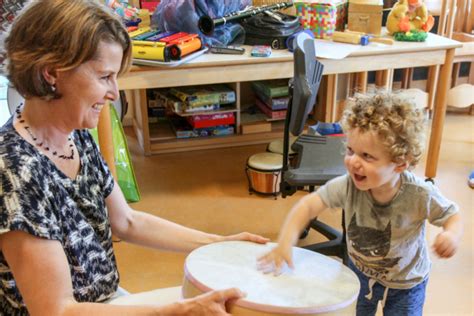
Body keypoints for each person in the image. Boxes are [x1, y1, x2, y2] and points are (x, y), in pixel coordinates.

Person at [0, 0, 269, 314]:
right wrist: (176, 309)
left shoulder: (72, 134)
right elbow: (56, 310)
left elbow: (126, 221)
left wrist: (217, 243)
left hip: (104, 302)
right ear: (51, 73)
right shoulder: (15, 173)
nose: (114, 92)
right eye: (104, 77)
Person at [258, 91, 463, 316]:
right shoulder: (348, 186)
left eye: (367, 156)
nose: (353, 161)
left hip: (406, 283)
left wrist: (451, 235)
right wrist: (285, 243)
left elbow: (452, 215)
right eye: (350, 150)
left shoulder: (419, 194)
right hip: (359, 275)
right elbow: (308, 205)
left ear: (399, 164)